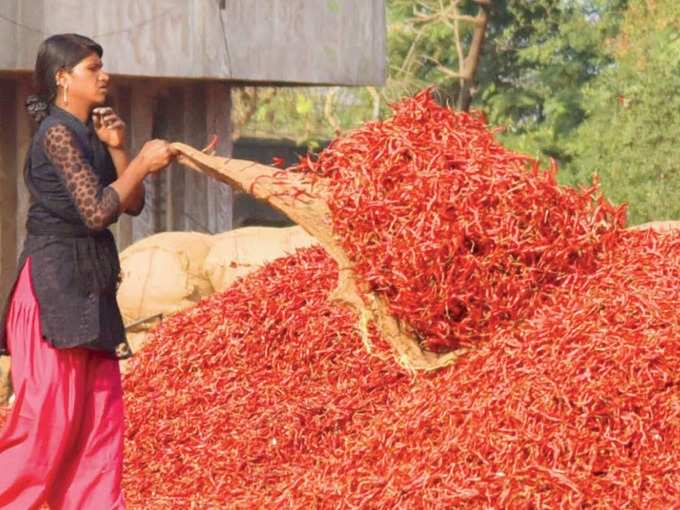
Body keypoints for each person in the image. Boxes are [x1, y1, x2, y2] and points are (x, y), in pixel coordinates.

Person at [0, 33, 176, 509]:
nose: (105, 75)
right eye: (93, 67)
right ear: (63, 78)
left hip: (90, 288)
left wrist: (120, 150)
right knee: (48, 423)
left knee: (98, 419)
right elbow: (98, 211)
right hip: (53, 289)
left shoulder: (89, 136)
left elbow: (131, 203)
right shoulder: (56, 134)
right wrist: (140, 162)